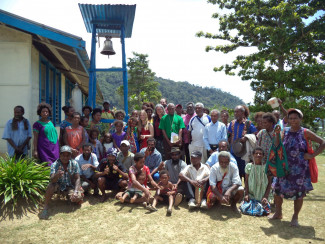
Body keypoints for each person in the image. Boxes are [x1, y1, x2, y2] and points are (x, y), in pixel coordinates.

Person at [270, 108, 325, 227]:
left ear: (300, 119)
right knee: (277, 191)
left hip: (300, 169)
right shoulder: (284, 130)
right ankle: (278, 213)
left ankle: (295, 217)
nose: (293, 120)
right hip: (284, 167)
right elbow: (277, 145)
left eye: (295, 118)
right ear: (288, 120)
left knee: (299, 193)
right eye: (290, 118)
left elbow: (323, 142)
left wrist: (311, 155)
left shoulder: (305, 132)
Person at [39, 146, 83, 219]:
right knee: (51, 186)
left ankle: (71, 199)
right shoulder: (55, 164)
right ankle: (45, 207)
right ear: (60, 155)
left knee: (77, 197)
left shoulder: (74, 163)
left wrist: (75, 191)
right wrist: (57, 175)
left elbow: (77, 178)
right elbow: (52, 180)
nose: (65, 157)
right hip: (58, 186)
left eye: (67, 155)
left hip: (69, 186)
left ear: (70, 155)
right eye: (63, 155)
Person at [240, 147, 272, 216]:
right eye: (256, 153)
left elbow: (269, 183)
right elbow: (246, 181)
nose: (258, 155)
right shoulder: (249, 166)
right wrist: (247, 194)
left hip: (263, 194)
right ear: (253, 155)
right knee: (246, 205)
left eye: (260, 154)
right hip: (251, 194)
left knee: (265, 207)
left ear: (263, 156)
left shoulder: (266, 167)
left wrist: (266, 196)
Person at [228, 105, 257, 179]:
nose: (235, 114)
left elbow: (254, 133)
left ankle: (246, 188)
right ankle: (238, 188)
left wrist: (246, 137)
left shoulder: (248, 123)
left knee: (245, 171)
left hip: (244, 151)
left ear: (243, 113)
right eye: (235, 112)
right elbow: (229, 134)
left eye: (237, 112)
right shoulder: (232, 123)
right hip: (233, 151)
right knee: (235, 170)